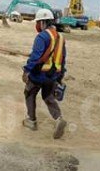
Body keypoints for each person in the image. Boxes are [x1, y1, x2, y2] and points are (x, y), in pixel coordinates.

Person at [22, 8, 68, 139]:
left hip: (38, 74)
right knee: (48, 98)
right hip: (52, 75)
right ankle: (58, 119)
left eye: (38, 22)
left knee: (29, 93)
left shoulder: (42, 37)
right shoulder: (60, 37)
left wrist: (26, 70)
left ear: (42, 22)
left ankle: (31, 121)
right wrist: (60, 76)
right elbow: (63, 58)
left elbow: (35, 57)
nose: (37, 25)